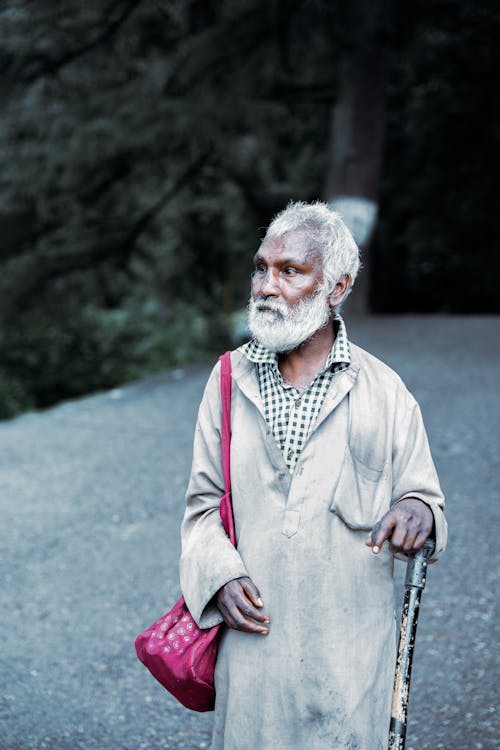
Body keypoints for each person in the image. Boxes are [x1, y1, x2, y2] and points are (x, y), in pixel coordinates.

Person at [180, 201, 447, 749]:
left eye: (290, 271)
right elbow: (202, 506)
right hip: (254, 659)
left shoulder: (385, 390)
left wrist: (417, 510)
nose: (266, 287)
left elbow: (425, 499)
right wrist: (220, 576)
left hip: (349, 663)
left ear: (338, 287)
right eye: (261, 268)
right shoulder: (228, 379)